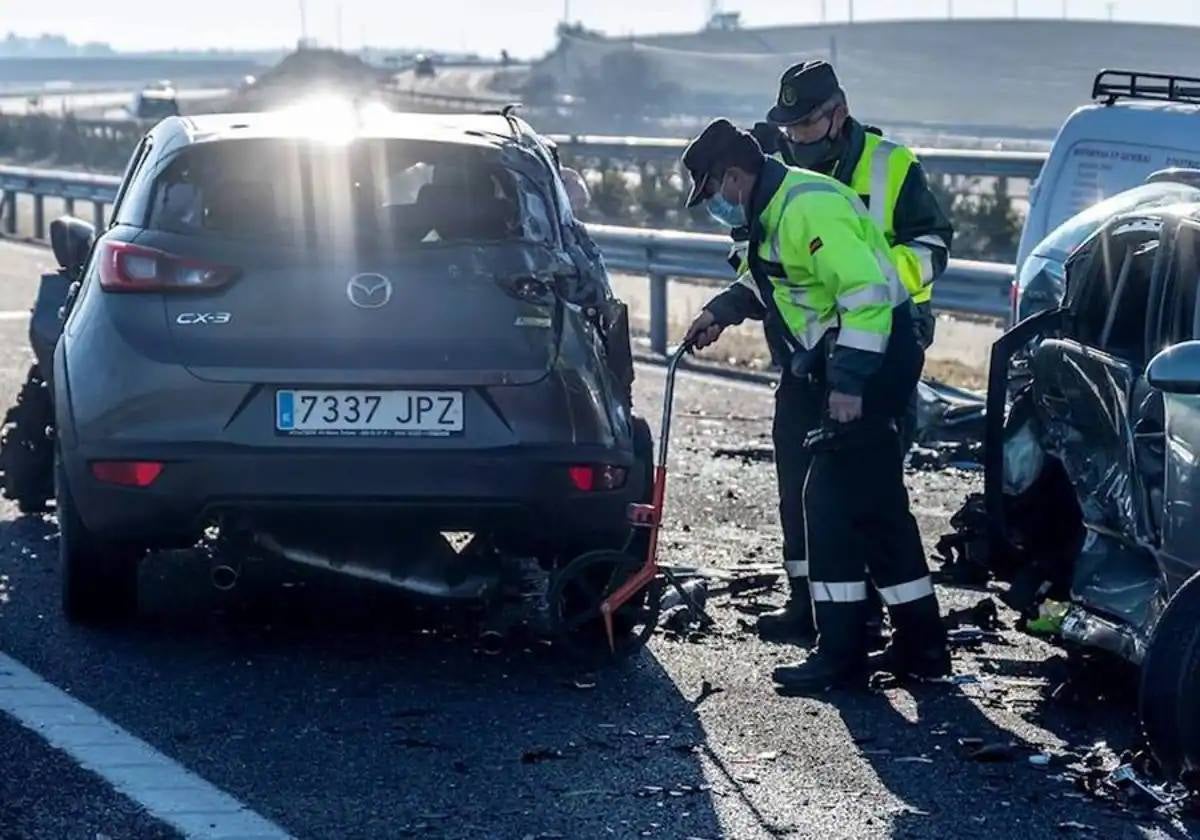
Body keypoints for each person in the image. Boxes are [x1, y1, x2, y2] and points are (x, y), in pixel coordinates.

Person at [681, 119, 949, 692]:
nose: (714, 206)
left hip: (871, 360)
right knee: (878, 505)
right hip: (854, 358)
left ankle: (842, 654)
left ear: (733, 176)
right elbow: (774, 283)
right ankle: (922, 646)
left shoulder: (807, 208)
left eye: (711, 193)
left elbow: (866, 296)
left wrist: (849, 384)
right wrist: (721, 312)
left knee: (826, 502)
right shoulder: (774, 210)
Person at [739, 61, 954, 643]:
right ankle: (809, 605)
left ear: (838, 113)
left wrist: (874, 286)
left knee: (862, 491)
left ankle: (867, 619)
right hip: (806, 358)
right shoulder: (782, 172)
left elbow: (932, 246)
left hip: (876, 352)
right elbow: (768, 265)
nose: (796, 137)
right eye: (788, 128)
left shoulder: (891, 165)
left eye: (806, 124)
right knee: (799, 483)